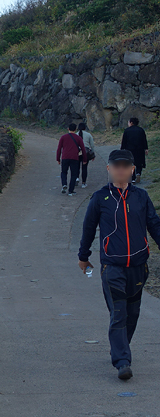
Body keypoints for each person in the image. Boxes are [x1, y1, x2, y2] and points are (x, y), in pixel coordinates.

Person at [78, 149, 160, 380]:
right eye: (116, 166)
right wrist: (83, 256)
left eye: (125, 166)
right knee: (118, 313)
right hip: (112, 267)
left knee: (132, 314)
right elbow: (88, 228)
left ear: (133, 169)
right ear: (109, 168)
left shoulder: (141, 197)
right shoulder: (100, 198)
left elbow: (154, 225)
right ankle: (122, 361)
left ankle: (120, 346)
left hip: (138, 267)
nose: (120, 170)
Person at [56, 123, 86, 196]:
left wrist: (58, 158)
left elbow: (59, 148)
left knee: (64, 172)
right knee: (74, 174)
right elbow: (83, 149)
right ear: (75, 129)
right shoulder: (78, 138)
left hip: (65, 157)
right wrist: (85, 159)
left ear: (68, 129)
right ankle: (71, 190)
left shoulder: (63, 137)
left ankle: (64, 184)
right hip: (74, 158)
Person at [120, 117, 148, 183]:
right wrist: (146, 148)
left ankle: (133, 178)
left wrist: (122, 149)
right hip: (140, 149)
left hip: (129, 149)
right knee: (139, 162)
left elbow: (124, 141)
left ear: (131, 123)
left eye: (128, 122)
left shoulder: (127, 130)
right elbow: (144, 140)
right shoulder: (141, 130)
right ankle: (138, 173)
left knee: (130, 163)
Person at [75, 123, 96, 188]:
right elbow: (92, 145)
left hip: (77, 152)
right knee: (84, 168)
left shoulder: (76, 135)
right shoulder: (88, 135)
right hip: (85, 152)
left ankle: (76, 178)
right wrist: (93, 154)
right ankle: (83, 183)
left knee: (76, 166)